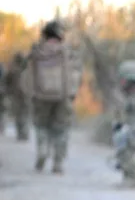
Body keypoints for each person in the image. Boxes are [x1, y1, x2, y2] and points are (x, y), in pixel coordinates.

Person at [26, 20, 81, 174]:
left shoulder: (36, 51)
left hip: (40, 96)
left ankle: (42, 151)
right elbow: (75, 74)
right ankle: (58, 162)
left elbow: (28, 75)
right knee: (61, 129)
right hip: (63, 97)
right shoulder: (67, 51)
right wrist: (72, 94)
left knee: (41, 126)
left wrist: (31, 94)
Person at [4, 52, 31, 141]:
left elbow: (7, 82)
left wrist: (8, 92)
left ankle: (20, 133)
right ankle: (24, 133)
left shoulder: (12, 70)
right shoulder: (27, 70)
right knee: (25, 114)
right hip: (26, 96)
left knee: (18, 115)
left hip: (16, 96)